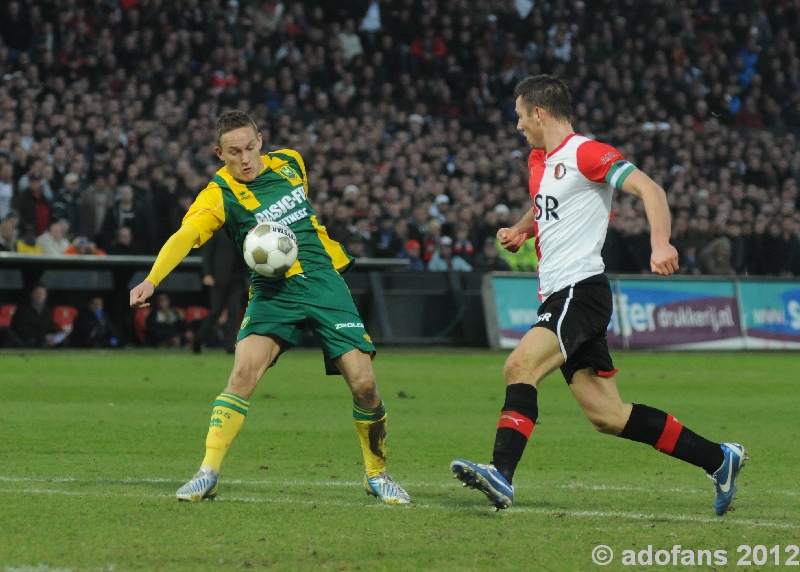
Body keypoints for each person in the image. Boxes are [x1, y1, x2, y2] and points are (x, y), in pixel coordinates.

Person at [450, 75, 747, 517]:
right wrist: (520, 229)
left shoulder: (586, 153)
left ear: (539, 112)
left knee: (519, 365)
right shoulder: (539, 161)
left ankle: (501, 473)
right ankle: (719, 459)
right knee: (608, 415)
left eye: (519, 116)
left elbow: (651, 189)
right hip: (561, 294)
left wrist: (660, 243)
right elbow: (545, 206)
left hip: (579, 291)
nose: (517, 126)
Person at [129, 110, 410, 505]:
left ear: (261, 140)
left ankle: (377, 474)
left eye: (249, 148)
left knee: (364, 384)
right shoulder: (218, 196)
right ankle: (206, 472)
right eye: (233, 152)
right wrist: (152, 279)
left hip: (324, 282)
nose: (244, 159)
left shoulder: (291, 162)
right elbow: (185, 235)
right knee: (242, 373)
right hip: (273, 291)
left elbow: (307, 220)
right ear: (218, 153)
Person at [192, 230, 248, 354]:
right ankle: (199, 339)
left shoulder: (243, 231)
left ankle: (230, 345)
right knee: (216, 311)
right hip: (219, 278)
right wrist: (206, 274)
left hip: (237, 278)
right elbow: (207, 253)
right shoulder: (218, 230)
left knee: (234, 311)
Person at [8, 283, 70, 348]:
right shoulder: (22, 310)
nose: (39, 296)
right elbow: (21, 330)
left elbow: (50, 327)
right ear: (32, 294)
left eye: (42, 294)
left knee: (62, 340)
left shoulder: (48, 311)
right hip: (28, 340)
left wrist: (53, 336)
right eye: (37, 293)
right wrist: (43, 337)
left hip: (46, 341)